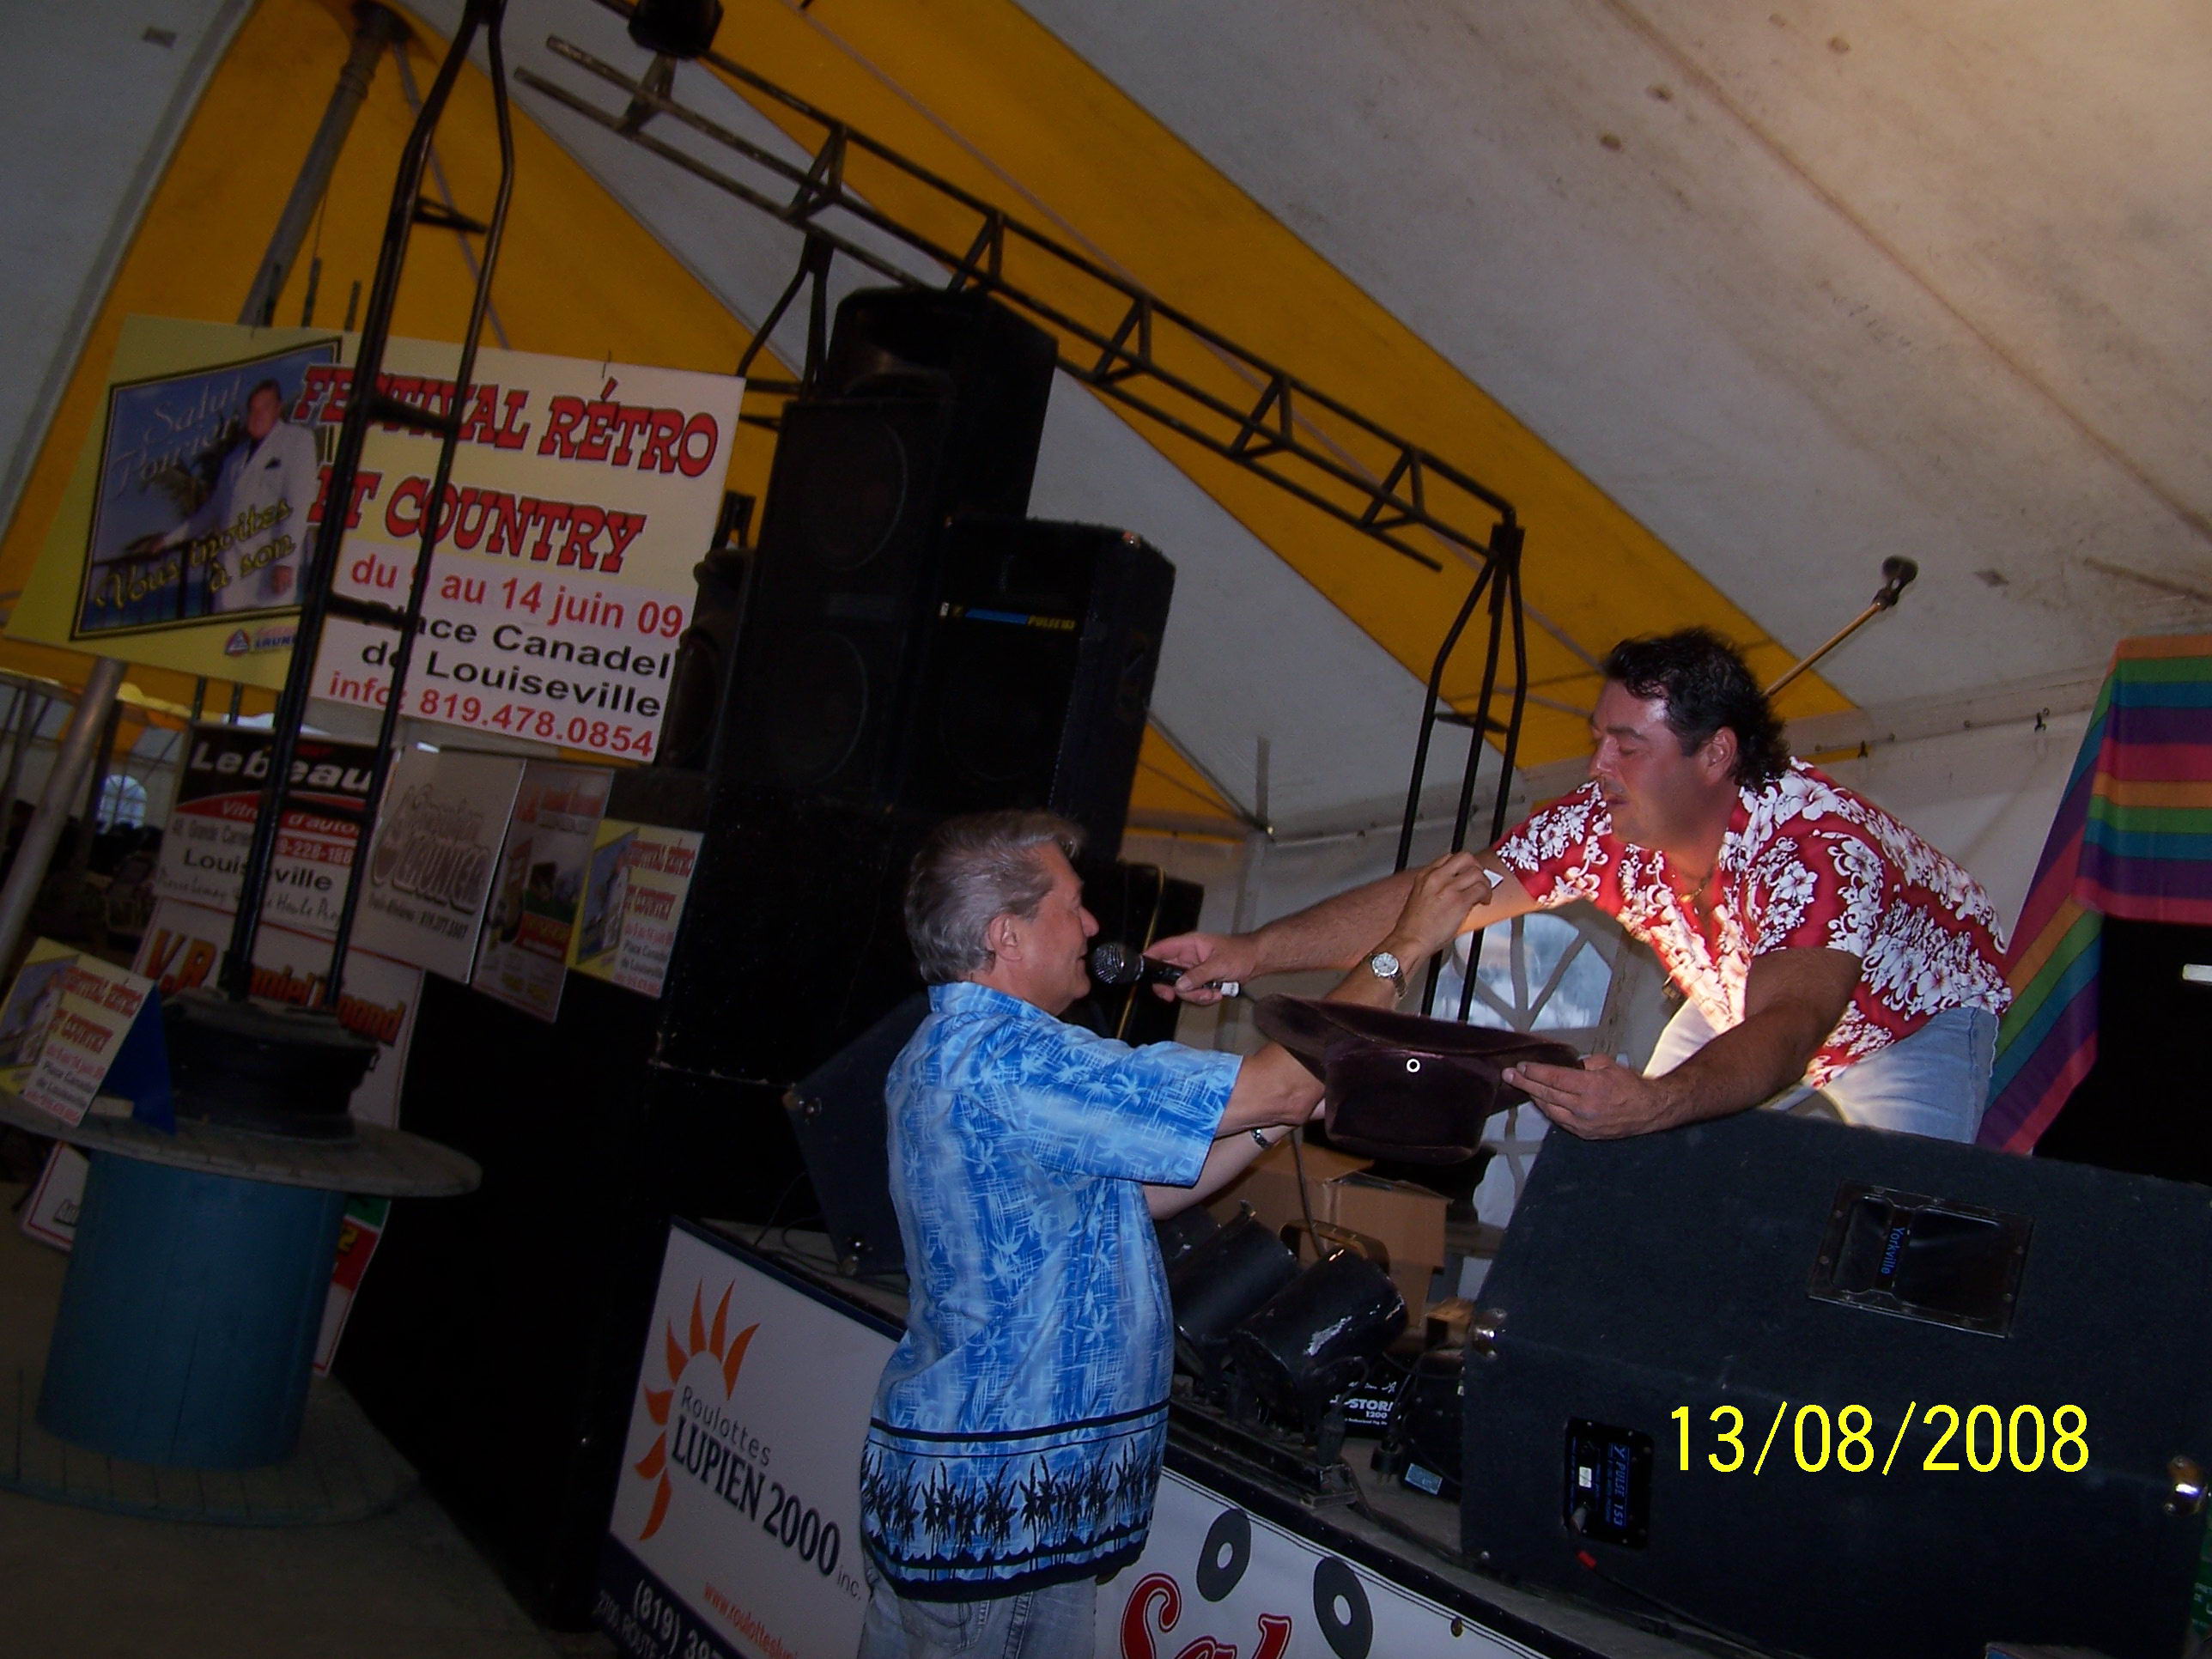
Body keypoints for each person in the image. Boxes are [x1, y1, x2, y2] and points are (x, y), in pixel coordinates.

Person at [857, 810, 1479, 1657]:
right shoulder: (1012, 1061)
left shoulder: (962, 1051)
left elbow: (1139, 1193)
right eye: (1071, 907)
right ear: (1006, 935)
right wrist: (1400, 948)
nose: (1091, 927)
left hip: (984, 1512)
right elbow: (1275, 1083)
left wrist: (1271, 1118)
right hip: (998, 1528)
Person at [1152, 629, 2013, 1144]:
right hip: (1738, 1000)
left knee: (1907, 1234)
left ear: (1715, 754)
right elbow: (1442, 894)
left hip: (1905, 1023)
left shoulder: (1816, 850)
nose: (1598, 765)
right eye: (1598, 738)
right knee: (1635, 1176)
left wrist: (1659, 1102)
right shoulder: (1596, 822)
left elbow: (1789, 1027)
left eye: (1626, 747)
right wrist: (1254, 950)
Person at [153, 378, 319, 614]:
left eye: (265, 408)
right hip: (231, 576)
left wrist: (285, 563)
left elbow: (298, 506)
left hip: (269, 573)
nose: (257, 415)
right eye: (253, 409)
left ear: (278, 409)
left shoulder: (298, 441)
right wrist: (169, 540)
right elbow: (212, 511)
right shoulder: (234, 459)